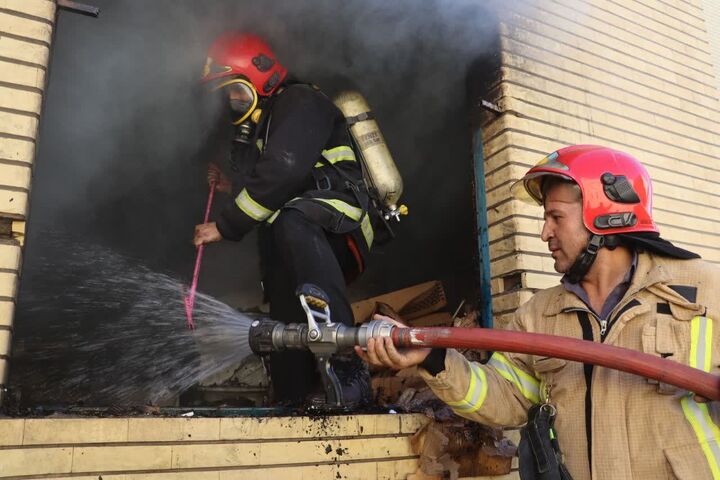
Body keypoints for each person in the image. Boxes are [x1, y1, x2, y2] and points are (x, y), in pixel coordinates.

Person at [357, 145, 720, 479]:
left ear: (606, 215)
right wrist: (434, 359)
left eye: (555, 217)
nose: (545, 233)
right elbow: (505, 397)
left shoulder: (704, 292)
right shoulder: (539, 315)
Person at [193, 32, 373, 406]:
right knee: (279, 283)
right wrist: (231, 186)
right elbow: (271, 179)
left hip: (340, 216)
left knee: (290, 223)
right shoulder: (269, 125)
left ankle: (347, 365)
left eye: (236, 91)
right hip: (302, 222)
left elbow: (285, 171)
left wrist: (225, 226)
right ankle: (293, 391)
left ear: (261, 77)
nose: (232, 101)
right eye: (227, 95)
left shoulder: (301, 101)